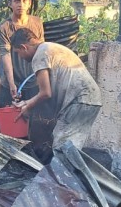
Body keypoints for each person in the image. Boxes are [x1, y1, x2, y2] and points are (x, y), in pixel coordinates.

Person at [10, 27, 102, 159]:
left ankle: (63, 179)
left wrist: (27, 105)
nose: (20, 57)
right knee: (70, 147)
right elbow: (50, 91)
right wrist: (28, 105)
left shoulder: (39, 56)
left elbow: (45, 93)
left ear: (24, 47)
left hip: (79, 100)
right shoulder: (51, 48)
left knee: (62, 148)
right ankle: (69, 177)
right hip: (90, 99)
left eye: (18, 53)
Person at [0, 0, 45, 110]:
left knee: (33, 120)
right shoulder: (4, 28)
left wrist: (42, 79)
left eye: (24, 1)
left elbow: (42, 51)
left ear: (29, 3)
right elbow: (5, 56)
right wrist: (12, 84)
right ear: (10, 3)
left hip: (33, 81)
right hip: (12, 83)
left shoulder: (37, 23)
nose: (21, 4)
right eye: (17, 0)